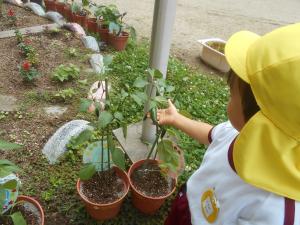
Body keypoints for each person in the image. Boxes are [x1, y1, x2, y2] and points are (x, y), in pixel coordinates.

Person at [158, 23, 300, 225]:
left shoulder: (274, 212)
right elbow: (212, 134)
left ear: (260, 123)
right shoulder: (238, 133)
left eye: (231, 95)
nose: (228, 99)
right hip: (187, 205)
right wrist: (176, 118)